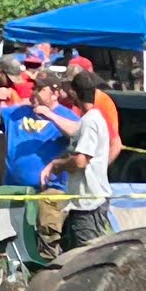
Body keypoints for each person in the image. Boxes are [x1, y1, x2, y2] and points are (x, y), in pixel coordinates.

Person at [1, 70, 79, 259]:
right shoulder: (18, 112)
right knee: (9, 238)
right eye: (33, 87)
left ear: (55, 92)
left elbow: (77, 132)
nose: (34, 92)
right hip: (14, 187)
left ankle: (45, 279)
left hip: (49, 190)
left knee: (47, 241)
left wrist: (50, 115)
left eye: (40, 89)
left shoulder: (66, 115)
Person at [39, 71, 113, 251]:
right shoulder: (88, 120)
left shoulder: (91, 121)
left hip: (89, 205)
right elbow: (75, 132)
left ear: (73, 93)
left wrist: (58, 165)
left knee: (88, 257)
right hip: (81, 203)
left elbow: (81, 161)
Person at [63, 55, 122, 162]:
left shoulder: (101, 102)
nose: (70, 88)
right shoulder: (72, 100)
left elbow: (115, 144)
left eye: (74, 84)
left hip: (91, 162)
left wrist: (100, 169)